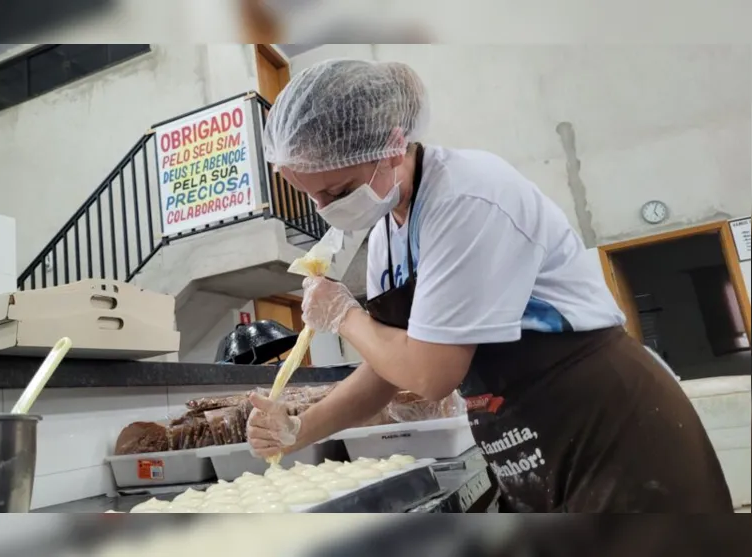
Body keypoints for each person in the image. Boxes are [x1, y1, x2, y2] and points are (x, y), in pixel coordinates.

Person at [245, 59, 734, 512]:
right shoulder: (388, 234)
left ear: (392, 147)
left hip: (606, 427)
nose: (326, 210)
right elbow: (389, 369)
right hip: (525, 435)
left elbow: (431, 372)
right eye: (310, 196)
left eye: (338, 191)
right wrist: (299, 428)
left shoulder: (467, 198)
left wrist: (345, 316)